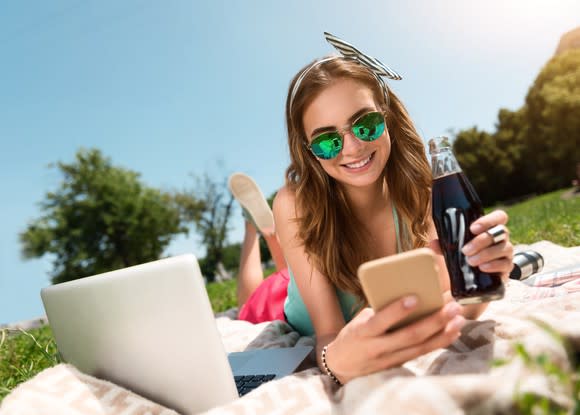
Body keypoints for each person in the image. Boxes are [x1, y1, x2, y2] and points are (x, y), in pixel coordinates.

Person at [235, 32, 514, 386]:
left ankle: (276, 238)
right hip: (283, 302)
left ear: (388, 117)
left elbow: (456, 301)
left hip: (310, 260)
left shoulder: (424, 189)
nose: (352, 147)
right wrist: (336, 360)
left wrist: (487, 274)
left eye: (365, 125)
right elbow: (329, 338)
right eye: (327, 140)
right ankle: (254, 227)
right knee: (252, 298)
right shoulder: (293, 202)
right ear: (308, 151)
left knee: (290, 266)